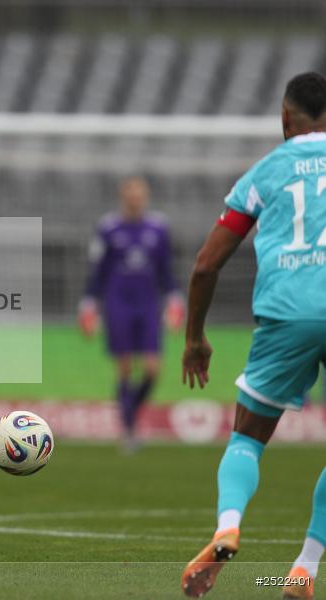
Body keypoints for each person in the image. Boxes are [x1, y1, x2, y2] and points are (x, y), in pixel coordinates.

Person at [180, 71, 326, 599]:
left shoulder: (265, 172)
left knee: (247, 438)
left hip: (286, 314)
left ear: (286, 118)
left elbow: (205, 265)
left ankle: (227, 527)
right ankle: (303, 570)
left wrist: (195, 337)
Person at [78, 176, 184, 451]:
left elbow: (166, 270)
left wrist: (175, 299)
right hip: (118, 303)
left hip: (148, 303)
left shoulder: (158, 228)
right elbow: (97, 271)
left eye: (140, 195)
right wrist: (89, 304)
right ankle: (128, 430)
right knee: (124, 367)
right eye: (131, 196)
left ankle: (129, 413)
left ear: (146, 198)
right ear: (123, 198)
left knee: (152, 368)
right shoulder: (108, 229)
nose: (136, 200)